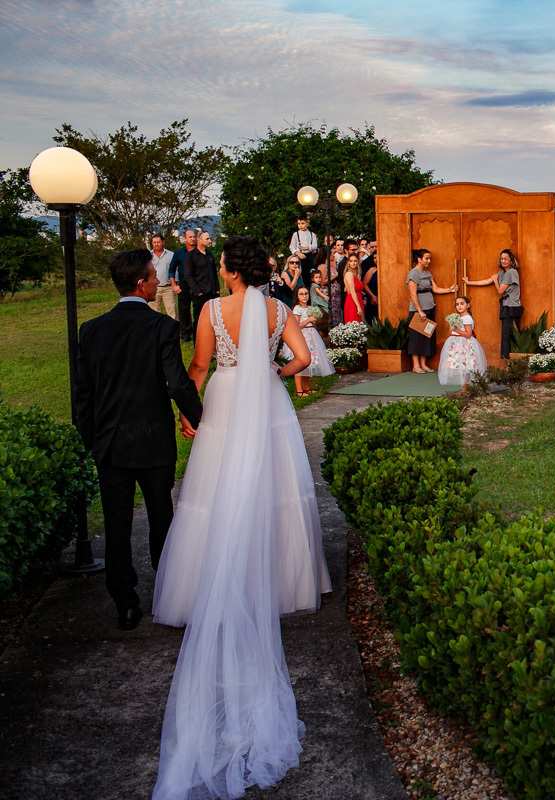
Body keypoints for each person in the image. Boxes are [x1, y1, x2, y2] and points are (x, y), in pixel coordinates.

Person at [151, 235, 331, 800]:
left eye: (223, 262)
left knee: (214, 493)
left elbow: (200, 364)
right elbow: (303, 359)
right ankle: (286, 582)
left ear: (228, 269)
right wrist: (273, 375)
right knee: (279, 490)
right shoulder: (279, 309)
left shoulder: (210, 309)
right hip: (267, 405)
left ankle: (202, 585)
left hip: (227, 403)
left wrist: (191, 413)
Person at [73, 249, 203, 631]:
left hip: (110, 446)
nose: (155, 281)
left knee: (116, 525)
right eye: (152, 276)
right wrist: (205, 422)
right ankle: (166, 595)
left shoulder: (91, 330)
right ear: (141, 283)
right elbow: (178, 384)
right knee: (162, 517)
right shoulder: (161, 327)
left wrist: (93, 442)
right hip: (153, 442)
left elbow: (83, 395)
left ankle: (126, 604)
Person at [409, 249, 456, 371]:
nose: (429, 261)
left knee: (427, 335)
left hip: (429, 308)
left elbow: (435, 289)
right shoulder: (413, 273)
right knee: (416, 337)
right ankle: (416, 365)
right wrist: (420, 311)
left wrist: (449, 290)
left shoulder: (427, 273)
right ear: (419, 259)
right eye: (426, 258)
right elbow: (413, 294)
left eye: (429, 258)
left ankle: (423, 364)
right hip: (418, 310)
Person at [284, 286, 334, 397]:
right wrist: (308, 320)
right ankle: (299, 389)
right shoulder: (297, 309)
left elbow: (312, 323)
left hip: (311, 335)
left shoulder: (310, 308)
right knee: (301, 362)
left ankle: (306, 388)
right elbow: (296, 326)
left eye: (306, 293)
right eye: (301, 294)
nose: (304, 296)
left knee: (308, 363)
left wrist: (314, 321)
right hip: (302, 336)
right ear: (297, 296)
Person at [438, 296, 488, 385]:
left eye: (462, 304)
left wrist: (456, 329)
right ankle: (464, 387)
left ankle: (465, 388)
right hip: (456, 342)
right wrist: (452, 324)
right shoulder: (459, 317)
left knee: (466, 366)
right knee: (461, 366)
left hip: (464, 343)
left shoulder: (467, 318)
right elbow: (451, 331)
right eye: (457, 304)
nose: (459, 306)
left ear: (468, 305)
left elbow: (468, 334)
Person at [184, 231, 221, 328]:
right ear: (199, 240)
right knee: (199, 320)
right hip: (200, 294)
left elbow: (214, 273)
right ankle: (198, 341)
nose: (209, 241)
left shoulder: (209, 255)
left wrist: (217, 289)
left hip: (212, 292)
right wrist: (197, 292)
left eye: (209, 239)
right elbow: (188, 275)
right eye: (207, 239)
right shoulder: (190, 256)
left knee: (214, 319)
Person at [167, 230, 196, 341]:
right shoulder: (179, 253)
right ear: (185, 238)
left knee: (198, 308)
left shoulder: (199, 251)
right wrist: (174, 285)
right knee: (184, 310)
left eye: (194, 237)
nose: (192, 239)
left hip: (197, 283)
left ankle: (198, 331)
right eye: (190, 237)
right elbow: (171, 270)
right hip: (184, 283)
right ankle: (185, 334)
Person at [147, 235, 176, 319]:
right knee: (153, 312)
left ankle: (174, 331)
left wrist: (175, 284)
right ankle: (156, 331)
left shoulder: (171, 255)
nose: (156, 244)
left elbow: (175, 269)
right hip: (153, 288)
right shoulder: (148, 256)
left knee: (172, 312)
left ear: (163, 242)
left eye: (158, 242)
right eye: (154, 242)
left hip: (168, 288)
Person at [342, 254, 365, 323]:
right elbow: (352, 291)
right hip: (352, 302)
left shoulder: (356, 274)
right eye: (351, 261)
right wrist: (358, 306)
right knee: (354, 322)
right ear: (348, 263)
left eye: (355, 261)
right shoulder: (349, 274)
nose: (353, 263)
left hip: (358, 299)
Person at [362, 250, 380, 325]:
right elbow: (365, 284)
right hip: (373, 298)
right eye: (374, 258)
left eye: (377, 257)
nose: (376, 260)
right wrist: (372, 296)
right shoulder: (372, 270)